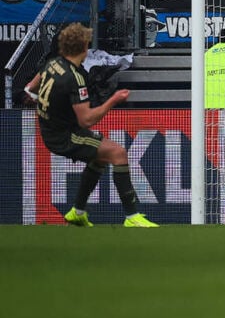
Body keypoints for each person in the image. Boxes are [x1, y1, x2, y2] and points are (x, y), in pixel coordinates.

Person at [27, 23, 158, 227]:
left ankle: (78, 212)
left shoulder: (53, 63)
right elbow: (86, 119)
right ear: (83, 48)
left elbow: (30, 89)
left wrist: (47, 106)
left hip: (51, 129)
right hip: (64, 135)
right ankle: (132, 217)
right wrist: (113, 100)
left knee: (101, 156)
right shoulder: (75, 78)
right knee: (118, 153)